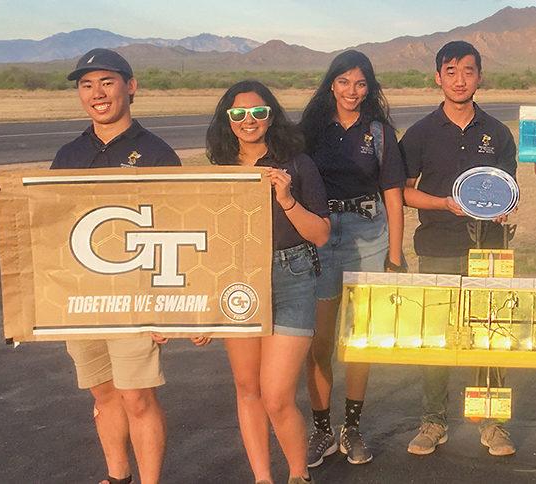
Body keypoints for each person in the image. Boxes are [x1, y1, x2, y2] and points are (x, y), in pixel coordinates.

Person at [0, 48, 183, 484]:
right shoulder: (69, 154)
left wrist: (169, 305)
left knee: (137, 397)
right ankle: (118, 476)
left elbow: (175, 229)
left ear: (131, 87)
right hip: (82, 298)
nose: (97, 93)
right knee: (104, 393)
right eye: (87, 85)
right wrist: (3, 198)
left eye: (107, 82)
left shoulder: (157, 153)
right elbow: (47, 222)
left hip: (136, 298)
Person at [205, 80, 331, 484]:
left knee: (276, 396)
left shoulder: (297, 165)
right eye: (239, 113)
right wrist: (205, 305)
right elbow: (208, 242)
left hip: (291, 275)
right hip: (238, 279)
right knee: (247, 388)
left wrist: (288, 200)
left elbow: (320, 234)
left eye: (258, 112)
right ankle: (262, 477)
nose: (249, 120)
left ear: (271, 116)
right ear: (227, 119)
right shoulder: (218, 172)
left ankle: (298, 475)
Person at [399, 41, 519, 457]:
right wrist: (442, 204)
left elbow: (507, 189)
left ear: (480, 76)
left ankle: (492, 423)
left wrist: (503, 208)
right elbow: (403, 192)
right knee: (438, 336)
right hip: (438, 246)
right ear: (438, 78)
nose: (460, 79)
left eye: (468, 71)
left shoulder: (498, 133)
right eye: (451, 71)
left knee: (491, 334)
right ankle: (433, 421)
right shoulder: (420, 133)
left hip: (490, 249)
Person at [299, 49, 407, 467]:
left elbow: (393, 196)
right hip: (321, 239)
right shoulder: (310, 130)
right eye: (344, 81)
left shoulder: (379, 133)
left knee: (361, 337)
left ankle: (352, 428)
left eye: (360, 83)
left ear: (369, 88)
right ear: (331, 84)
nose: (352, 90)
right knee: (321, 342)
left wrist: (395, 255)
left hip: (369, 235)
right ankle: (322, 430)